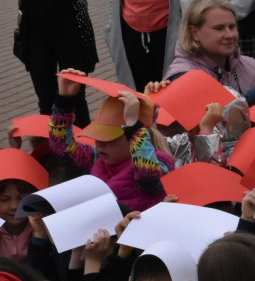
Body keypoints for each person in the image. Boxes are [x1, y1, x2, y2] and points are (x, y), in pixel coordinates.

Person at [3, 0, 98, 126]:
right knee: (46, 100)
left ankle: (83, 151)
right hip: (35, 29)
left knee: (75, 98)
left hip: (70, 27)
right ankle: (52, 152)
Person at [49, 72, 173, 212]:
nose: (100, 144)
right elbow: (62, 146)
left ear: (134, 137)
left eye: (110, 139)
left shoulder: (159, 164)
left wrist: (134, 126)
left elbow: (148, 175)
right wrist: (64, 100)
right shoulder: (99, 158)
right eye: (97, 136)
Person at [164, 0, 255, 104]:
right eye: (219, 28)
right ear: (194, 32)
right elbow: (213, 124)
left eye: (232, 27)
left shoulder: (248, 65)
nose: (229, 35)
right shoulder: (184, 76)